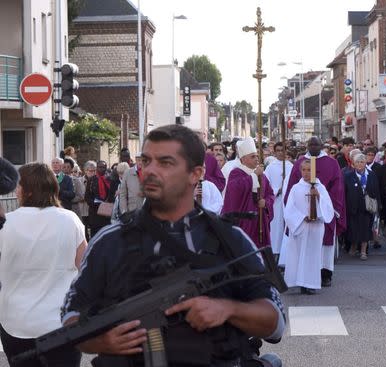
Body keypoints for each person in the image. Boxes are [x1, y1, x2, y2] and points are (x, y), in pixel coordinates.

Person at [61, 125, 285, 367]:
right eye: (146, 161)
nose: (150, 171)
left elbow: (275, 323)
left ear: (195, 174)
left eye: (165, 163)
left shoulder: (230, 239)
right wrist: (101, 341)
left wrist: (228, 309)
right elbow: (71, 316)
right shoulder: (109, 242)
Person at [0, 163, 86, 367]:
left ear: (27, 191)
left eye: (19, 185)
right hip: (60, 322)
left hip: (15, 320)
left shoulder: (6, 223)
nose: (16, 190)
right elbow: (85, 267)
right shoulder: (70, 220)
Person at [284, 136, 346, 287]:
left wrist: (327, 206)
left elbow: (337, 186)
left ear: (321, 145)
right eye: (310, 144)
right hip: (302, 216)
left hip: (322, 211)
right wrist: (298, 215)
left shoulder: (331, 163)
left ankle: (325, 273)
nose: (313, 146)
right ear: (307, 145)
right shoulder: (299, 163)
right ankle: (301, 277)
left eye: (316, 144)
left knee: (324, 243)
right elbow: (292, 186)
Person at [284, 160, 334, 294]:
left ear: (314, 172)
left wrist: (319, 197)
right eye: (304, 170)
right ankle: (299, 282)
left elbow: (329, 208)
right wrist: (301, 218)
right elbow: (289, 209)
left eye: (309, 170)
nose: (306, 173)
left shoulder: (320, 188)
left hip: (316, 227)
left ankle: (310, 283)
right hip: (301, 226)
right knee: (299, 254)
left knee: (313, 255)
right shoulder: (296, 188)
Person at [344, 153, 380, 260]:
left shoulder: (371, 175)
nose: (360, 164)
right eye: (357, 162)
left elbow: (376, 191)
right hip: (353, 207)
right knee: (353, 228)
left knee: (366, 229)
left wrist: (378, 205)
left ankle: (363, 251)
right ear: (353, 164)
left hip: (367, 207)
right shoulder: (348, 176)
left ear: (365, 163)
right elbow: (345, 192)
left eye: (362, 162)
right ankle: (354, 247)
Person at [264, 142, 293, 256]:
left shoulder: (291, 166)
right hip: (275, 201)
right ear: (275, 152)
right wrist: (278, 190)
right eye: (278, 150)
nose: (281, 153)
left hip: (287, 201)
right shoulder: (270, 167)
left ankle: (285, 253)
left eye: (283, 150)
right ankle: (275, 252)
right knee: (276, 227)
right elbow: (266, 185)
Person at [85, 160, 115, 237]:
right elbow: (87, 196)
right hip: (95, 212)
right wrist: (96, 204)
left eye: (104, 167)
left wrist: (107, 203)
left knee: (107, 235)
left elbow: (113, 194)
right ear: (97, 168)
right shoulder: (91, 180)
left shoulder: (110, 179)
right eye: (100, 167)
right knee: (95, 235)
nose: (102, 169)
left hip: (107, 213)